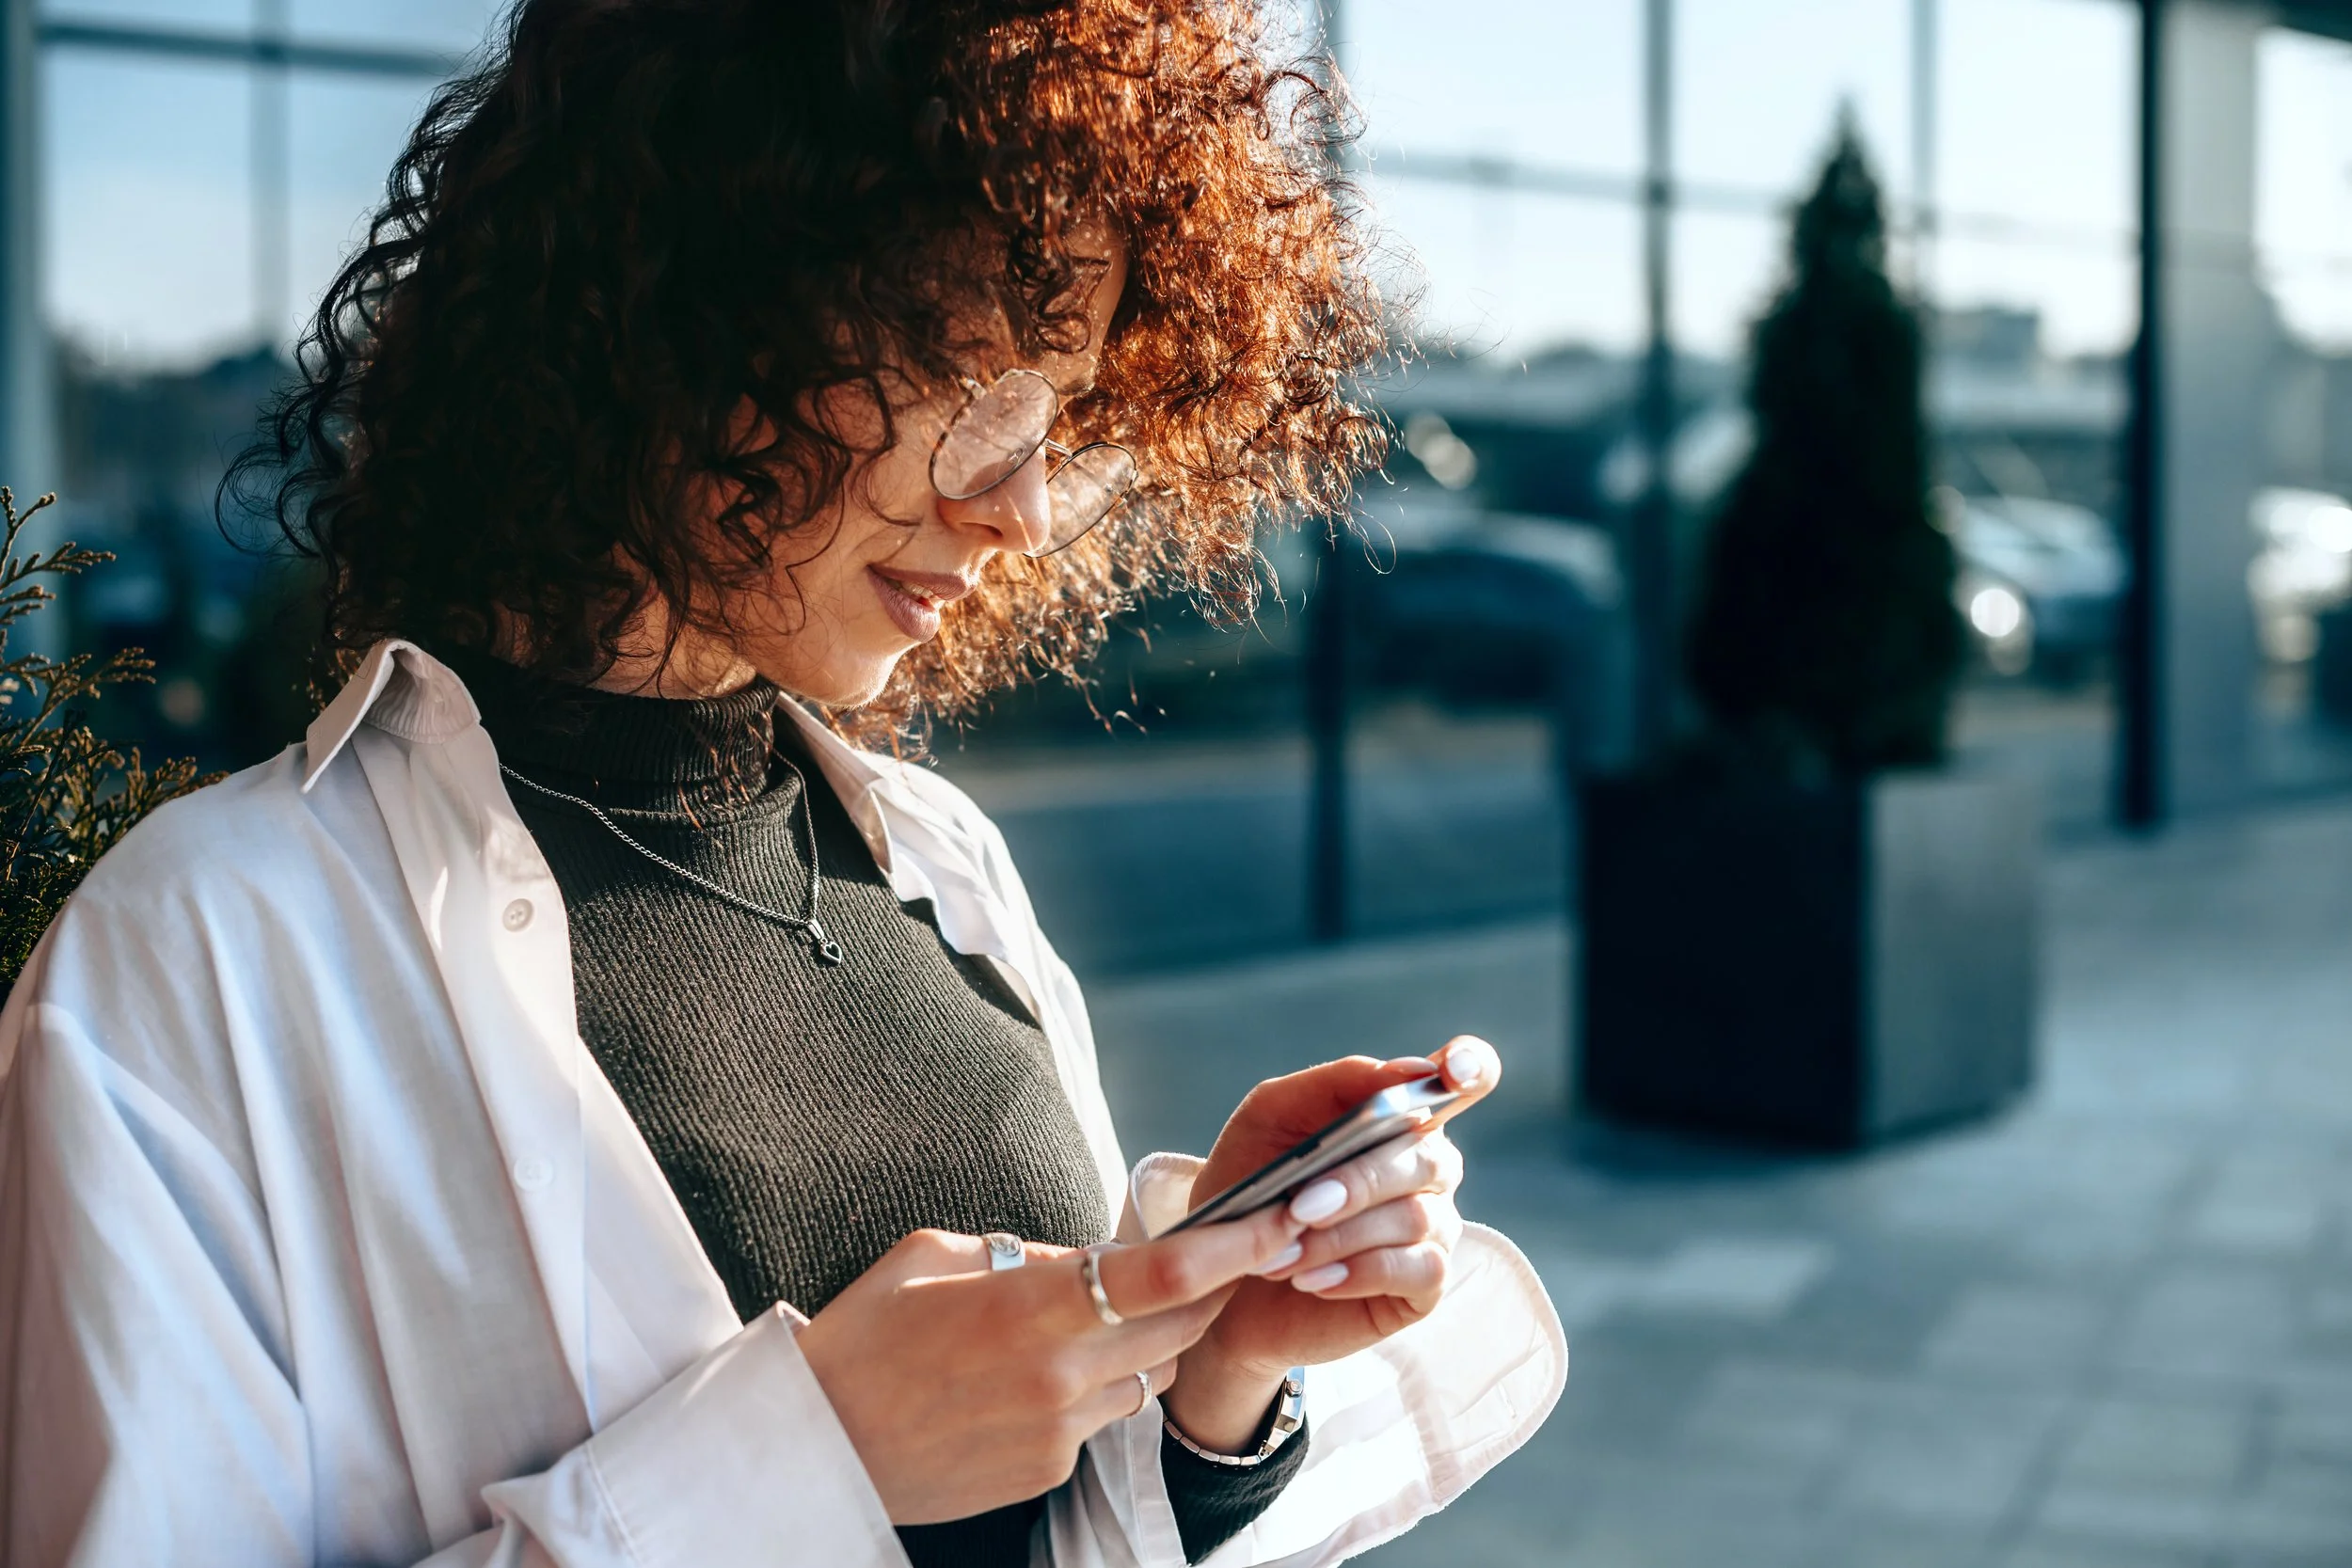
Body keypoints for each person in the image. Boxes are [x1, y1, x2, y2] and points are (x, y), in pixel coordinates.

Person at [0, 1, 1565, 1563]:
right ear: (709, 307)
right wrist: (810, 1456)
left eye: (1059, 417)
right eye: (984, 394)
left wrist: (1209, 1372)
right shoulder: (196, 954)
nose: (1023, 508)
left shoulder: (943, 859)